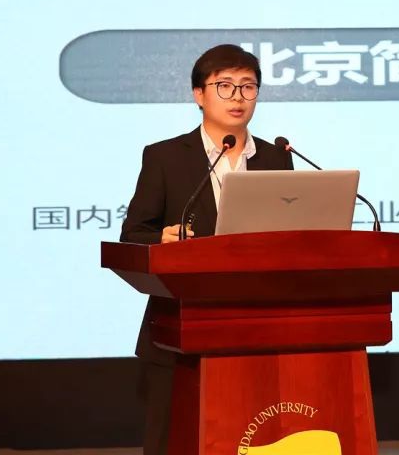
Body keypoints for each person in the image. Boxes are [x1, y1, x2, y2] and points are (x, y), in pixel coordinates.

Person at [119, 44, 293, 455]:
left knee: (253, 437)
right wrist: (162, 239)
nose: (238, 97)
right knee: (174, 440)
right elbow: (133, 235)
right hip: (181, 325)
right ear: (199, 94)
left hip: (258, 328)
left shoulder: (275, 157)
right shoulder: (165, 157)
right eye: (225, 86)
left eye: (248, 86)